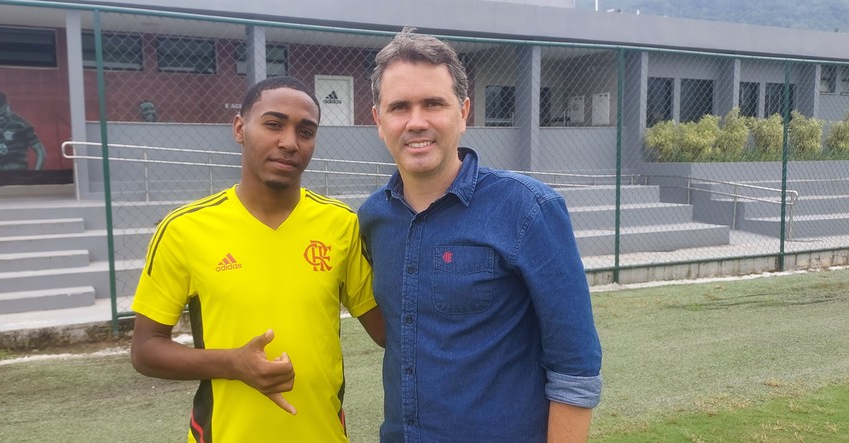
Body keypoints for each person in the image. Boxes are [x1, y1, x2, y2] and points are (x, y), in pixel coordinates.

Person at [358, 28, 603, 442]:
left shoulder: (528, 209)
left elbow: (575, 365)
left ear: (464, 112)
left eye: (434, 103)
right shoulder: (373, 218)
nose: (417, 122)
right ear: (379, 121)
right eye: (400, 107)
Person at [130, 76, 385, 443]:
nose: (289, 142)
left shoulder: (341, 224)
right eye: (273, 124)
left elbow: (386, 332)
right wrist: (233, 363)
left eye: (306, 131)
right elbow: (146, 350)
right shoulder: (184, 229)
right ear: (239, 128)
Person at [0, 90, 46, 171]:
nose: (1, 118)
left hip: (19, 173)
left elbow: (41, 152)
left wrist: (35, 176)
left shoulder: (22, 124)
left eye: (4, 114)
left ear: (8, 106)